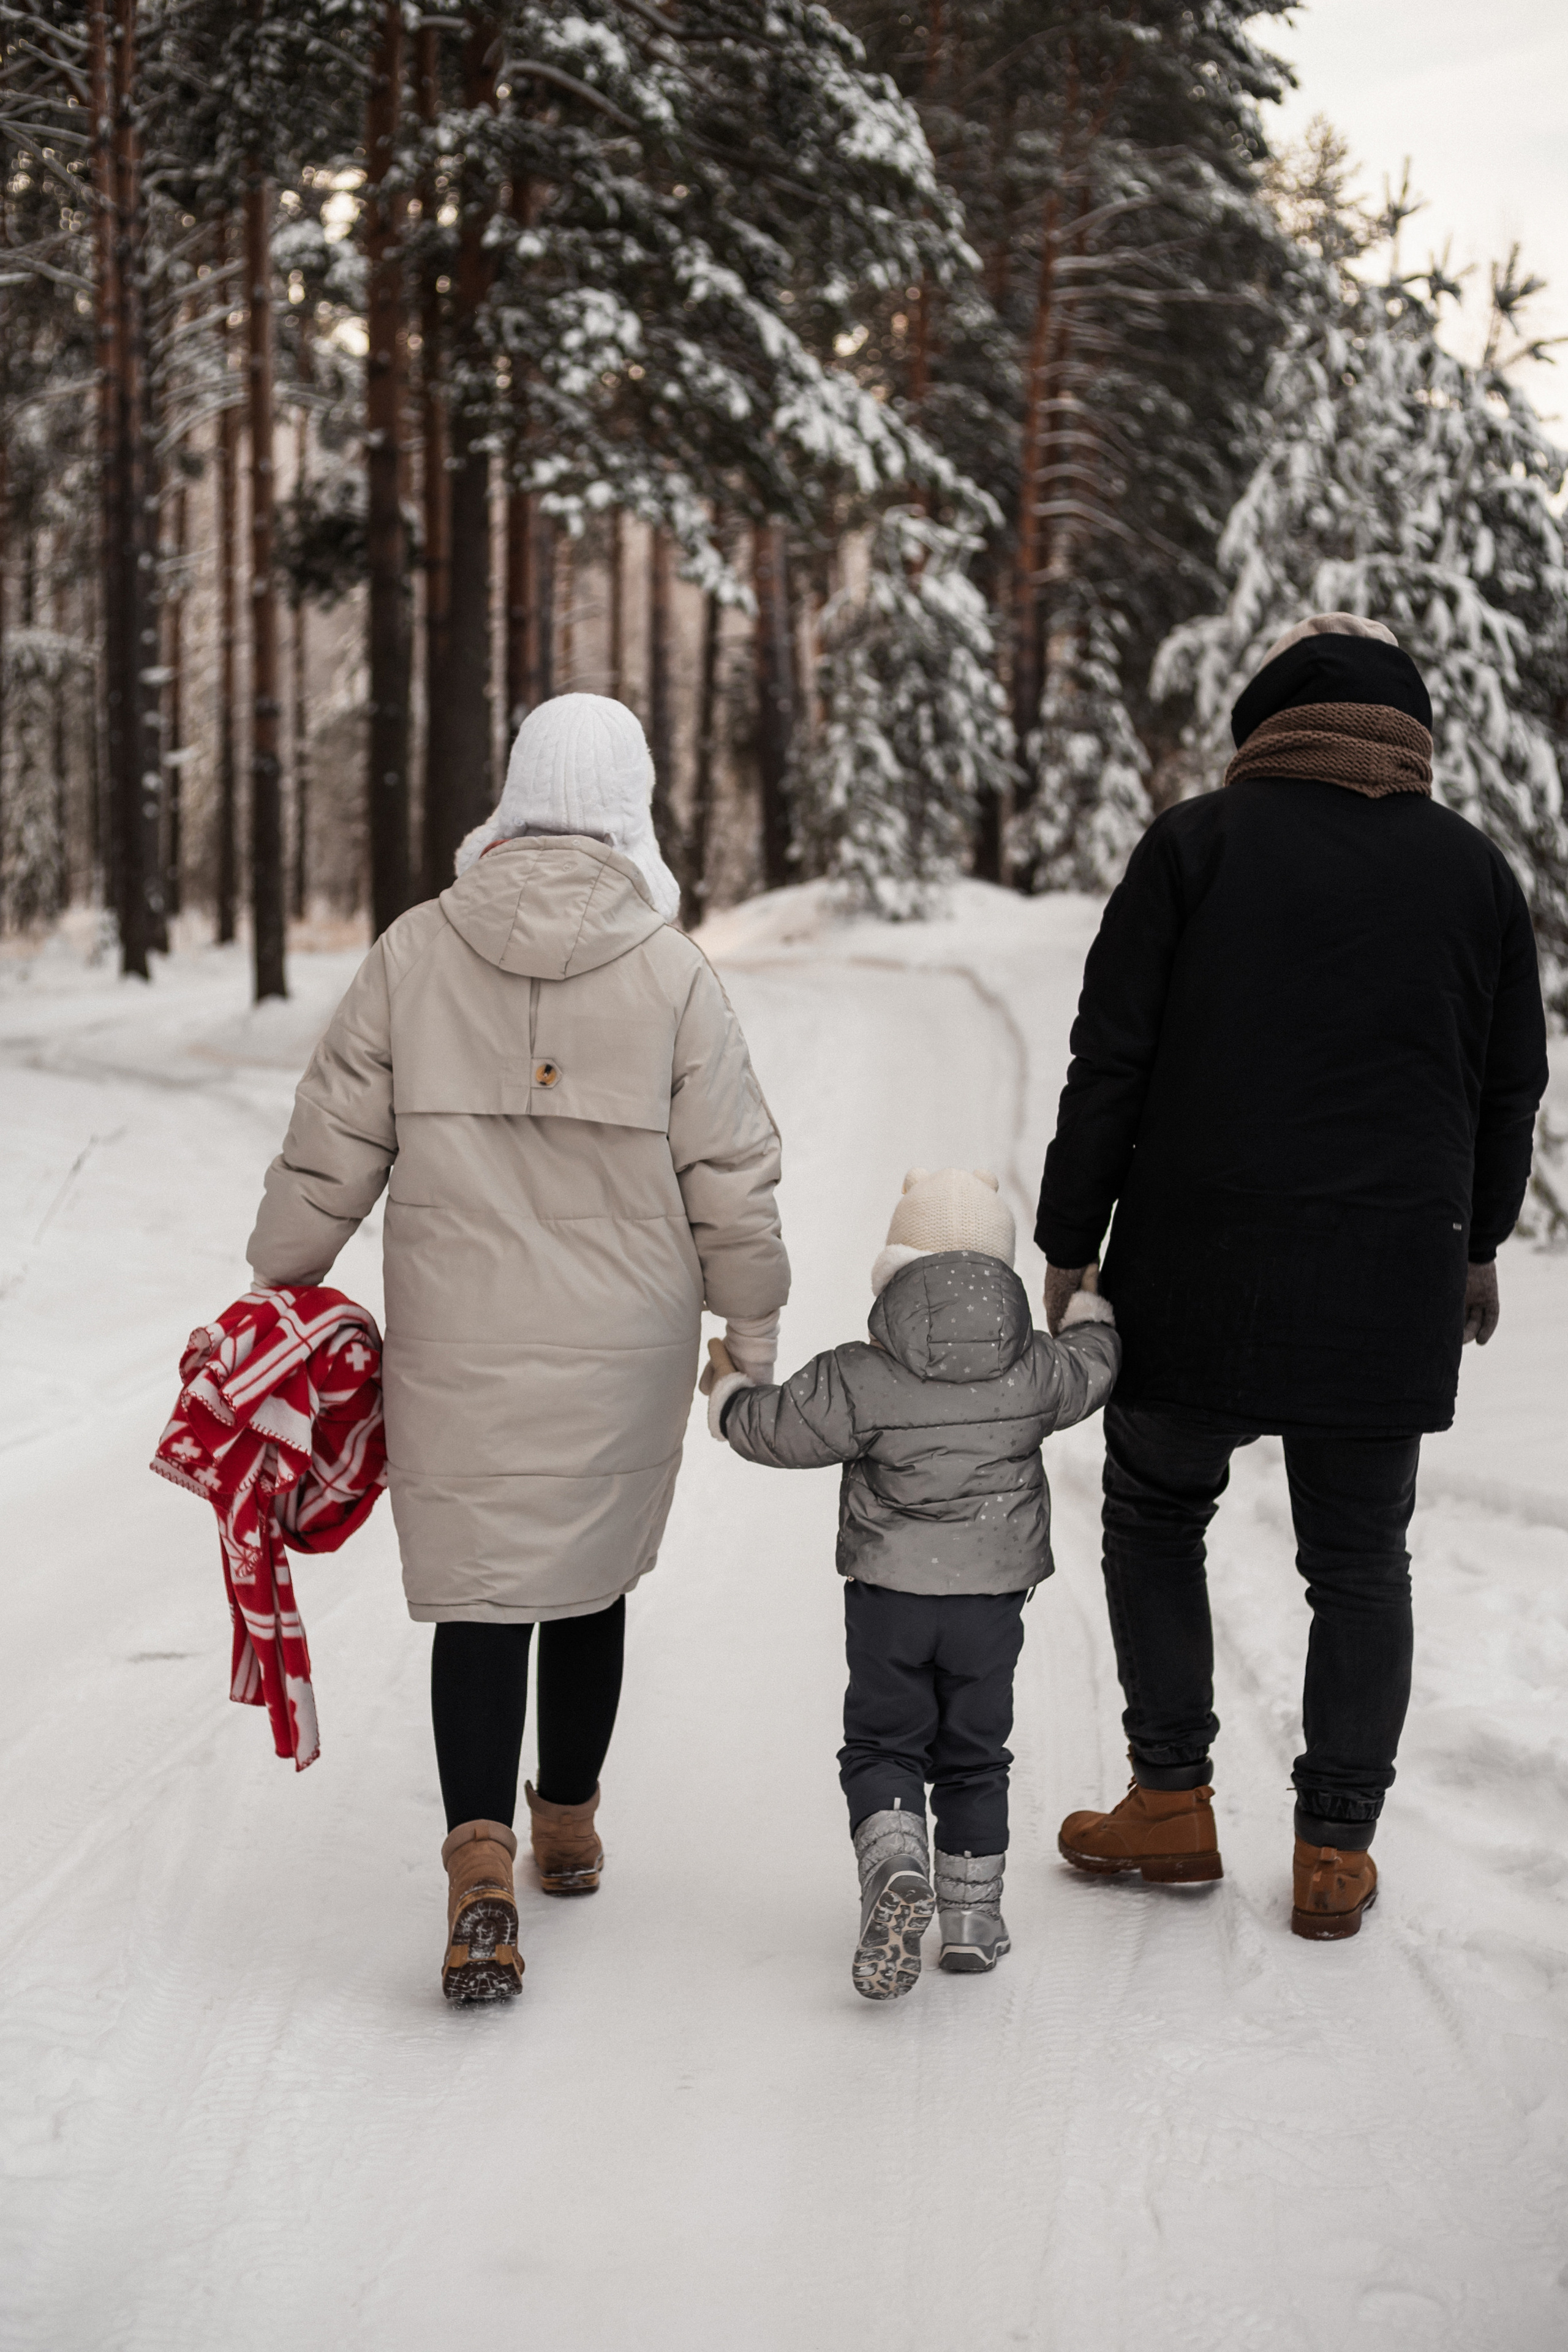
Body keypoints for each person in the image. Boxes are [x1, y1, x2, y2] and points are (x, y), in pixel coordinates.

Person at [246, 693, 790, 2001]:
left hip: (460, 1333)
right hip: (625, 1341)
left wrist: (280, 1280)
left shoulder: (413, 951)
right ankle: (569, 1827)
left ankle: (477, 1865)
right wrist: (749, 1332)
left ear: (513, 787)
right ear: (630, 797)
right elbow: (732, 1173)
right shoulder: (671, 971)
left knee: (482, 1590)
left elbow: (334, 1141)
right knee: (588, 1581)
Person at [1035, 614, 1549, 1939]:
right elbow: (1506, 1090)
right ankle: (1332, 1852)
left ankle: (1169, 1803)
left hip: (1197, 1258)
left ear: (1264, 729)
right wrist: (1477, 1243)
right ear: (1409, 736)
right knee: (1360, 1563)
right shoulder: (1472, 875)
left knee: (1154, 1513)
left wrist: (1068, 1239)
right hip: (1390, 1271)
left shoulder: (1194, 845)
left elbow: (1112, 1058)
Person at [703, 1166, 1120, 2000]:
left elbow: (776, 1430)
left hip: (890, 1599)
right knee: (973, 1754)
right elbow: (1093, 1369)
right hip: (990, 1603)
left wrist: (727, 1391)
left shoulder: (861, 1373)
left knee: (885, 1743)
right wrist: (1088, 1311)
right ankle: (970, 1923)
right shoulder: (1034, 1368)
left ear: (896, 1269)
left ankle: (895, 1862)